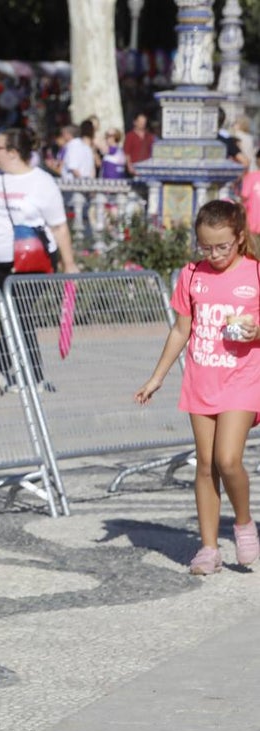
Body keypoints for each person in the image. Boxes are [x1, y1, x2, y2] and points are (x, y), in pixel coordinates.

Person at [134, 200, 260, 575]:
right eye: (206, 247)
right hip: (201, 379)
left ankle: (242, 523)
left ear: (239, 238)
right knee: (205, 465)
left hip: (242, 378)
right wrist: (156, 377)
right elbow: (180, 329)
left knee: (227, 459)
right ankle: (208, 549)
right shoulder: (191, 275)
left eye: (222, 246)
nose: (215, 254)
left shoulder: (254, 274)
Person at [0, 127, 80, 395]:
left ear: (12, 153)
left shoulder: (43, 183)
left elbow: (59, 227)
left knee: (17, 313)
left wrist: (70, 264)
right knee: (17, 316)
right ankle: (34, 377)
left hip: (33, 262)